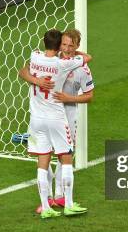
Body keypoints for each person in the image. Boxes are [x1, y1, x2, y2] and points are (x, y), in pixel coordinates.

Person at [19, 29, 94, 213]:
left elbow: (89, 96)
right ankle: (51, 200)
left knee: (58, 157)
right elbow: (23, 72)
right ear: (59, 44)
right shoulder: (60, 62)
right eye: (64, 44)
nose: (67, 49)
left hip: (64, 116)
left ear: (77, 46)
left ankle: (59, 197)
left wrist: (69, 98)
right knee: (49, 155)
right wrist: (36, 80)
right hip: (54, 118)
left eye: (71, 46)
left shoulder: (80, 69)